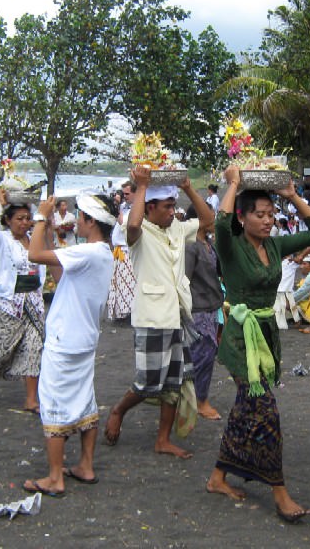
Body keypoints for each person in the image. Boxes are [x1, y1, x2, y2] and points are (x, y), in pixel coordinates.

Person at [204, 165, 310, 523]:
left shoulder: (274, 246)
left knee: (245, 411)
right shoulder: (230, 245)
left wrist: (291, 196)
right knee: (266, 413)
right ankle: (280, 492)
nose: (268, 220)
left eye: (272, 214)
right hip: (241, 341)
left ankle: (217, 477)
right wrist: (234, 184)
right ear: (243, 218)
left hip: (267, 336)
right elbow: (221, 222)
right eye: (260, 214)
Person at [103, 167, 214, 458]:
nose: (172, 211)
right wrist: (142, 186)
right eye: (167, 206)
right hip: (152, 316)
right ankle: (118, 410)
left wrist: (189, 188)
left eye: (173, 205)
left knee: (174, 383)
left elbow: (208, 220)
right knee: (148, 381)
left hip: (178, 314)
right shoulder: (138, 232)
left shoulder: (177, 227)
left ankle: (162, 439)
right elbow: (134, 222)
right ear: (150, 206)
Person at [22, 193, 116, 497]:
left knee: (53, 404)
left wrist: (39, 216)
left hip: (65, 341)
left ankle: (54, 477)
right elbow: (59, 273)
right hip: (84, 338)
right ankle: (85, 466)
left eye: (80, 217)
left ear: (91, 221)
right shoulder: (103, 253)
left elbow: (33, 255)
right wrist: (49, 228)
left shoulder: (87, 252)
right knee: (85, 400)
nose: (76, 221)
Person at [0, 190, 47, 411]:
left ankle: (31, 399)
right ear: (7, 221)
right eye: (19, 218)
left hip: (33, 301)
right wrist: (0, 206)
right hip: (10, 302)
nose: (25, 223)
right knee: (4, 347)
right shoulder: (2, 240)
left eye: (27, 219)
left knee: (34, 346)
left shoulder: (34, 240)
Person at [185, 220, 223, 421]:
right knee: (201, 355)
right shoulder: (191, 246)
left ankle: (197, 398)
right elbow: (185, 279)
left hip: (211, 305)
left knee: (206, 354)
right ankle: (199, 401)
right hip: (198, 307)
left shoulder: (208, 243)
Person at [107, 181, 136, 321]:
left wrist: (117, 210)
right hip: (118, 250)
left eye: (127, 194)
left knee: (127, 284)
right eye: (123, 194)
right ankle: (119, 312)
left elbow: (124, 223)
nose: (125, 197)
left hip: (127, 250)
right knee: (117, 283)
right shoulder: (124, 206)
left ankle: (128, 313)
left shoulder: (136, 210)